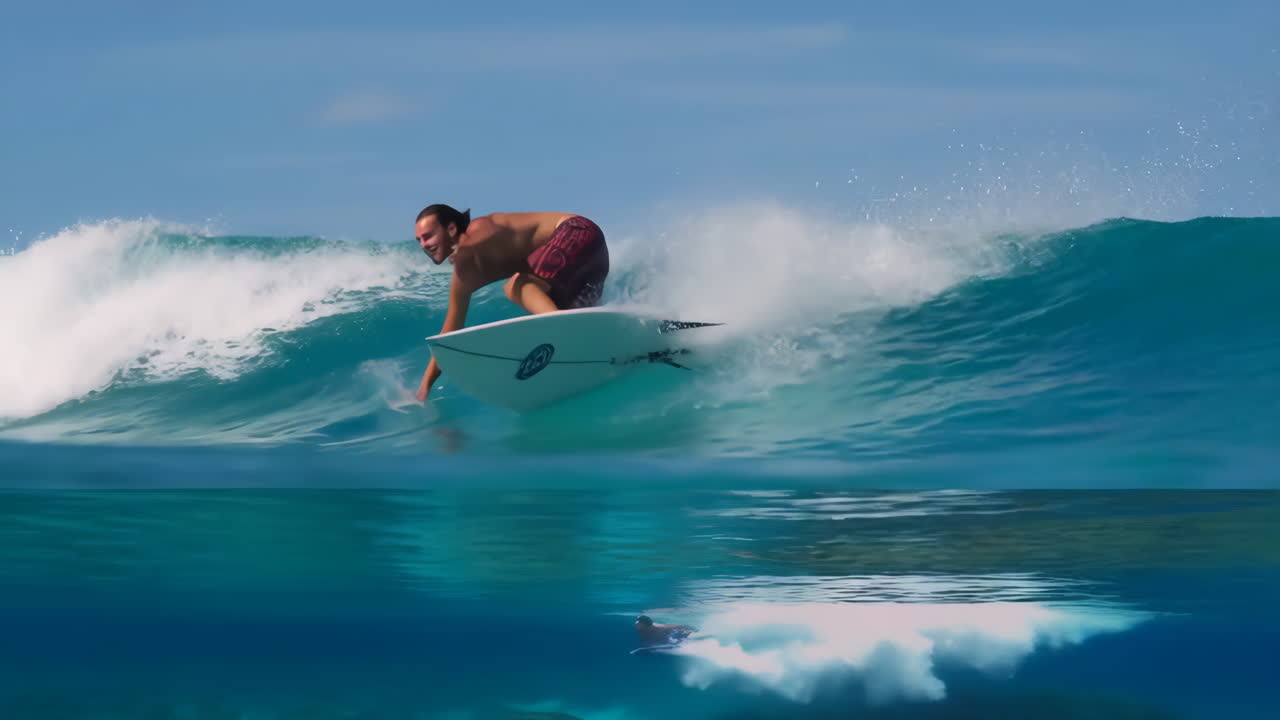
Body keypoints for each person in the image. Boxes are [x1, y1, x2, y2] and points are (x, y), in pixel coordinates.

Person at [413, 204, 610, 402]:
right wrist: (424, 389)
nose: (423, 245)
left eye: (428, 236)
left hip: (577, 231)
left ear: (452, 229)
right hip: (589, 261)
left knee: (516, 285)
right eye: (419, 240)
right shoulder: (463, 277)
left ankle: (562, 335)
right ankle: (604, 352)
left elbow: (489, 237)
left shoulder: (482, 228)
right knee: (557, 305)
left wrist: (463, 251)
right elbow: (449, 332)